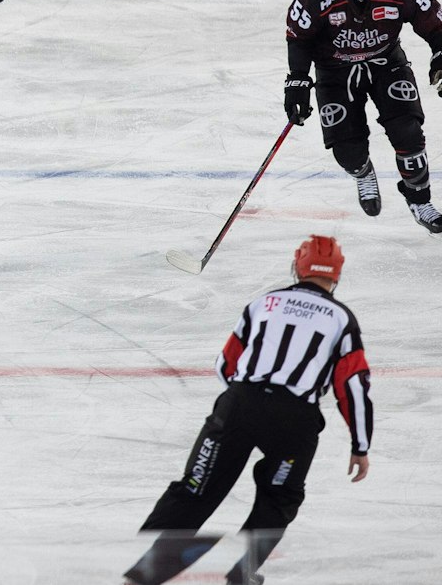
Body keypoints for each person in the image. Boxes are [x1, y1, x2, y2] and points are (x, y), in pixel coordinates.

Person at [121, 235, 373, 585]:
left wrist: (242, 407)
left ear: (297, 266)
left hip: (240, 405)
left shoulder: (265, 303)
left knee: (196, 488)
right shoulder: (343, 319)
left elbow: (226, 364)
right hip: (294, 420)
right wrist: (360, 445)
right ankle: (240, 573)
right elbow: (353, 386)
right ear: (337, 275)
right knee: (279, 498)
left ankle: (143, 571)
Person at [282, 0, 442, 233]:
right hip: (334, 72)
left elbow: (435, 21)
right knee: (348, 152)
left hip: (387, 64)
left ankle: (419, 200)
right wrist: (298, 82)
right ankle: (362, 171)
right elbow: (298, 38)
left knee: (408, 132)